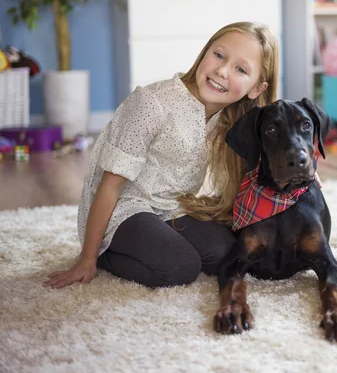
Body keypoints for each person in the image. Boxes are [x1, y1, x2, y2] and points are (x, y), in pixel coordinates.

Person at [43, 21, 279, 289]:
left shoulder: (234, 119)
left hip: (171, 207)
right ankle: (106, 254)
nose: (222, 71)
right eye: (219, 55)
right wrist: (87, 258)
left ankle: (158, 241)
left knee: (226, 253)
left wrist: (304, 172)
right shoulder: (152, 103)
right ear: (205, 52)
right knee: (180, 267)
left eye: (240, 69)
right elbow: (110, 185)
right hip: (122, 206)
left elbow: (268, 158)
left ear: (256, 89)